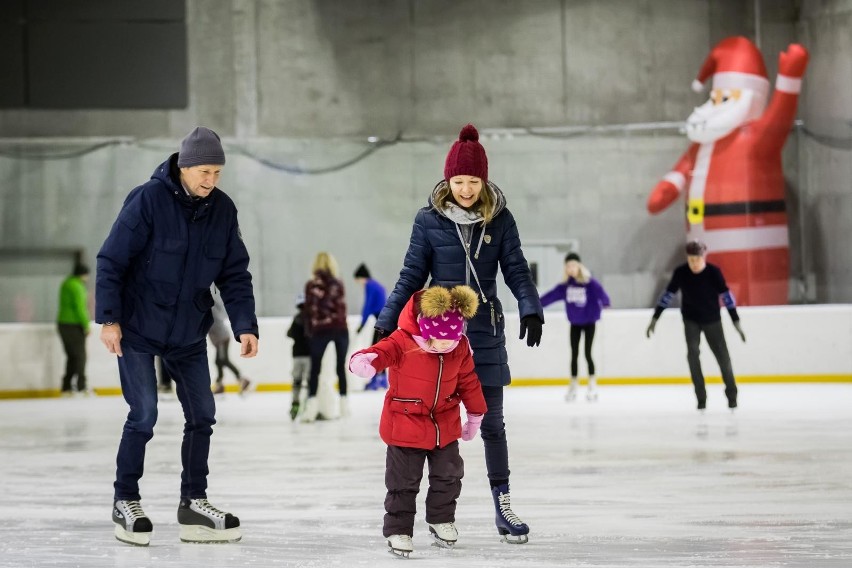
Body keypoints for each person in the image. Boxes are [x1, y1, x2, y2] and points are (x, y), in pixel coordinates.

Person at [375, 123, 543, 544]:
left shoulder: (500, 221)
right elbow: (411, 274)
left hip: (484, 333)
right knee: (429, 425)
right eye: (458, 181)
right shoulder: (429, 221)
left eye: (472, 181)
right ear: (447, 180)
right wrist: (386, 320)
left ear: (483, 180)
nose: (465, 189)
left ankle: (503, 504)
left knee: (493, 422)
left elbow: (517, 270)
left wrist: (530, 305)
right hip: (436, 340)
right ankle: (429, 513)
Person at [96, 126, 259, 546]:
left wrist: (245, 324)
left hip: (188, 331)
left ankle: (193, 502)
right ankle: (125, 499)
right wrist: (109, 319)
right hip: (138, 328)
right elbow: (112, 260)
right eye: (205, 172)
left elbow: (235, 273)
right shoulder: (147, 200)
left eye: (218, 173)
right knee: (144, 415)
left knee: (203, 415)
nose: (212, 180)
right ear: (184, 167)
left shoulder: (222, 210)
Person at [348, 285, 487, 557]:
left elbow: (469, 382)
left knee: (449, 475)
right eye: (442, 340)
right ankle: (399, 529)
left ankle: (440, 519)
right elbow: (381, 352)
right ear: (426, 330)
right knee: (403, 481)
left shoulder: (459, 347)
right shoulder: (402, 341)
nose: (448, 344)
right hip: (405, 424)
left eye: (453, 339)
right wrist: (364, 361)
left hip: (444, 424)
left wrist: (475, 415)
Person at [646, 240, 746, 410]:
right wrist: (655, 318)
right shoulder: (681, 272)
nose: (693, 263)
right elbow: (668, 295)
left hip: (712, 320)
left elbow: (726, 296)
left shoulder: (713, 273)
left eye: (697, 259)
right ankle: (701, 398)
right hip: (690, 319)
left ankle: (732, 396)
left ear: (703, 257)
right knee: (692, 355)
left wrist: (735, 321)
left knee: (723, 358)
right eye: (691, 260)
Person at [539, 252, 611, 402]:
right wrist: (535, 305)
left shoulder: (590, 283)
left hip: (589, 322)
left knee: (587, 353)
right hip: (575, 324)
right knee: (574, 354)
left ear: (579, 266)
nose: (571, 268)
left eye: (573, 265)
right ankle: (573, 385)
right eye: (568, 266)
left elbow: (602, 294)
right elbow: (549, 297)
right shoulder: (565, 287)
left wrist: (605, 302)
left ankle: (592, 385)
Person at [301, 251, 350, 422]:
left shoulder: (311, 285)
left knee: (315, 369)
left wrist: (308, 334)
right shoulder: (338, 283)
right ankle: (345, 406)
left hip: (319, 331)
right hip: (340, 329)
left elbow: (307, 312)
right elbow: (342, 309)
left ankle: (311, 408)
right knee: (340, 367)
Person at [57, 263, 91, 395]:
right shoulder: (77, 286)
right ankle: (82, 386)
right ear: (83, 274)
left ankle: (66, 387)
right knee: (80, 356)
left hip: (63, 324)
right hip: (73, 325)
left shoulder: (66, 283)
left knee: (72, 356)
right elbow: (80, 307)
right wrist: (86, 325)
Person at [353, 262, 388, 390]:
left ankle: (377, 379)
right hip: (385, 321)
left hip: (382, 321)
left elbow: (367, 306)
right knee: (379, 349)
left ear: (361, 277)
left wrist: (362, 325)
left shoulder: (369, 285)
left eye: (358, 280)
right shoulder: (376, 285)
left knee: (376, 350)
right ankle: (381, 378)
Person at [209, 287, 250, 395]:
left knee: (223, 360)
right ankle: (220, 384)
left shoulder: (209, 309)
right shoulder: (209, 307)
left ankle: (242, 379)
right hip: (220, 338)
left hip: (222, 338)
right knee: (218, 361)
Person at [286, 292, 310, 421]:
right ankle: (307, 405)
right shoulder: (312, 319)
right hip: (309, 356)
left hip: (297, 355)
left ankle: (295, 405)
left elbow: (289, 333)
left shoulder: (296, 318)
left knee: (297, 382)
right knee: (309, 382)